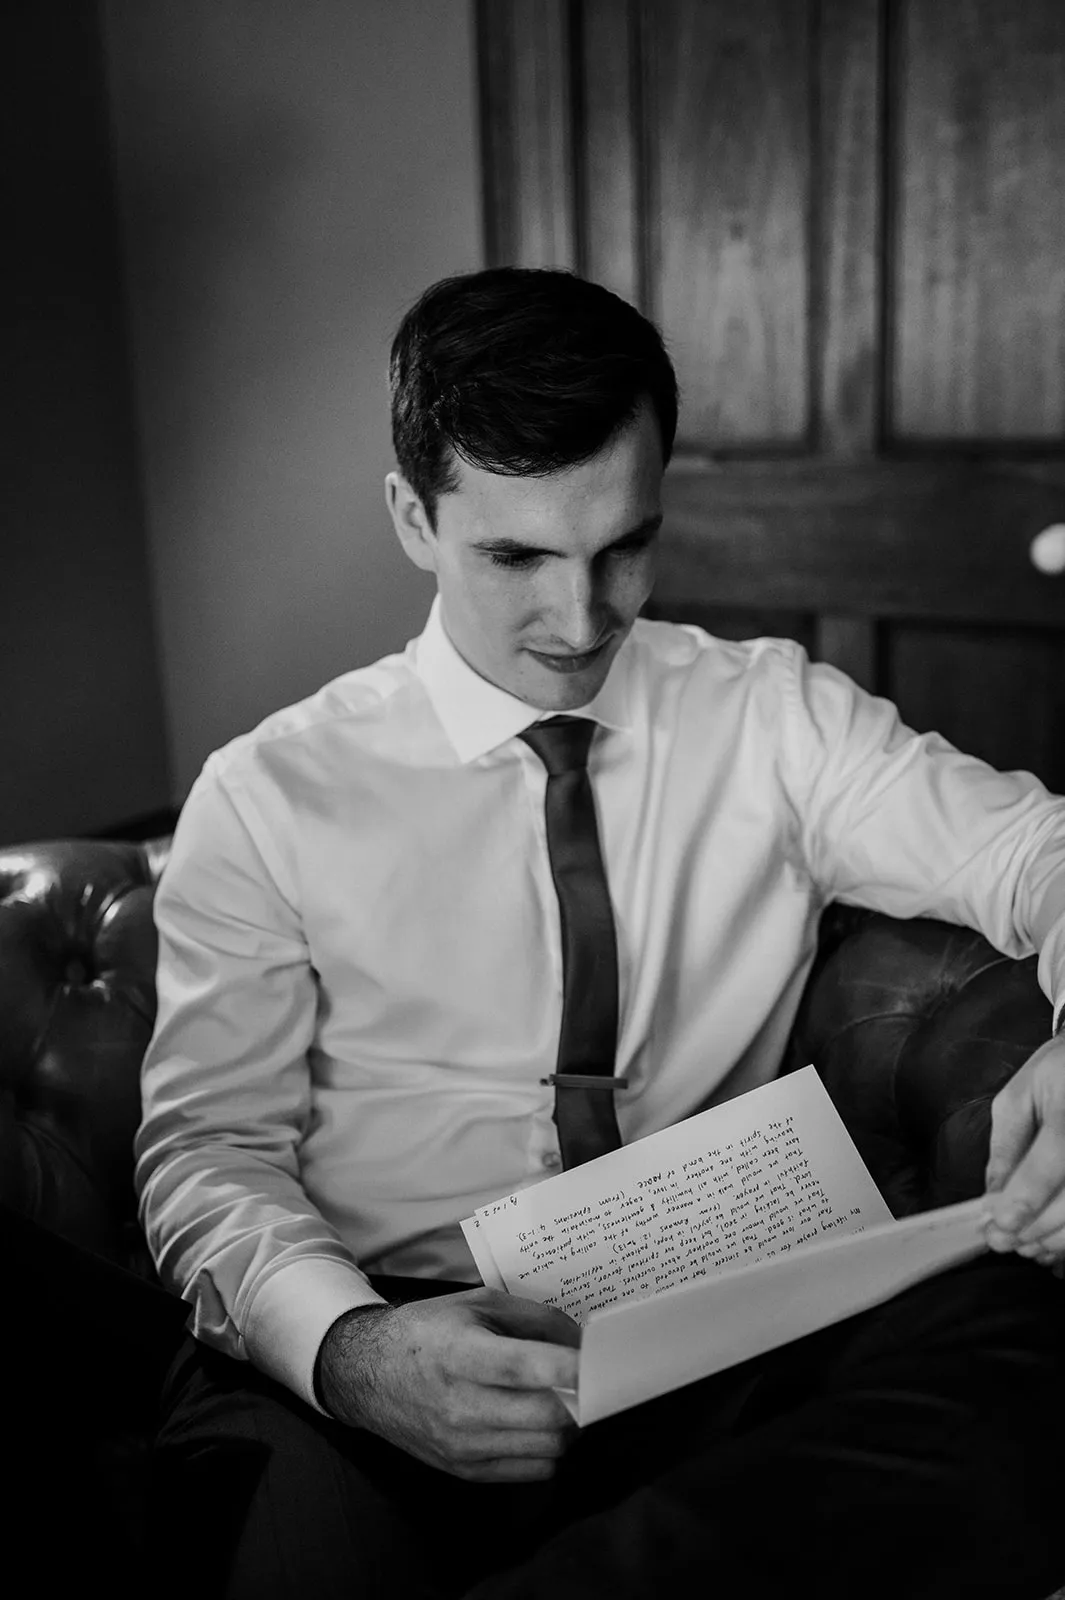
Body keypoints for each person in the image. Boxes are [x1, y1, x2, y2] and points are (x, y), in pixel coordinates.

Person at [137, 266, 1065, 1600]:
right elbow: (207, 1151)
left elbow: (1039, 851)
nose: (580, 622)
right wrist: (349, 1355)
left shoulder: (773, 718)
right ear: (413, 516)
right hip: (387, 1325)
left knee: (1038, 1347)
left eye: (623, 545)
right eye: (514, 556)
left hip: (719, 1314)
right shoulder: (270, 793)